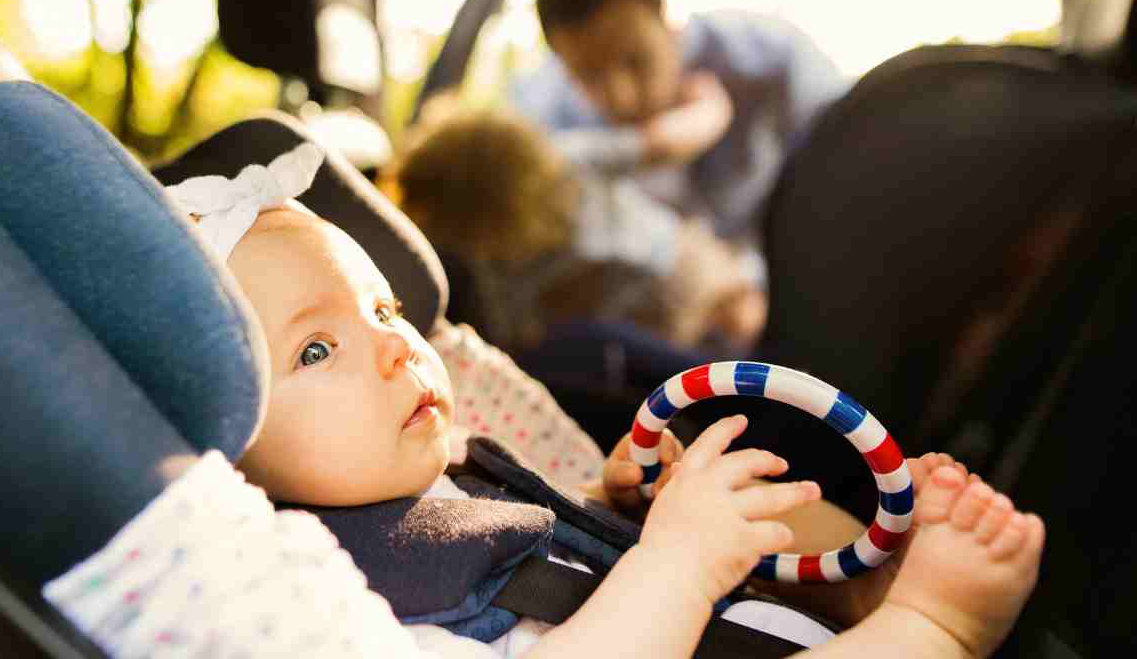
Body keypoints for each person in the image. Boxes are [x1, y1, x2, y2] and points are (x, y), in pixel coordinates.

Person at [97, 142, 1044, 659]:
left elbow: (566, 560)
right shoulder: (336, 601)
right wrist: (675, 563)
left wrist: (622, 509)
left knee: (756, 510)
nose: (394, 344)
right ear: (226, 448)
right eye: (315, 347)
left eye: (383, 307)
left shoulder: (457, 466)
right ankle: (935, 627)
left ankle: (860, 585)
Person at [511, 0, 850, 264]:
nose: (622, 98)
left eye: (635, 60)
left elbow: (852, 169)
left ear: (664, 12)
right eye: (588, 77)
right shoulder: (549, 116)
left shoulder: (772, 63)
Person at [391, 105, 766, 354]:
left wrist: (710, 109)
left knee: (740, 317)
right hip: (661, 299)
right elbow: (663, 141)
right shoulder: (500, 265)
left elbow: (659, 142)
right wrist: (711, 109)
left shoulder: (567, 159)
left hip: (680, 276)